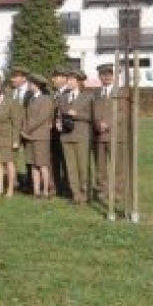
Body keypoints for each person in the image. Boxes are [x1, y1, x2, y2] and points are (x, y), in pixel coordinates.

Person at [92, 62, 132, 212]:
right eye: (104, 74)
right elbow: (93, 112)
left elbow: (123, 113)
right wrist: (97, 124)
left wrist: (108, 124)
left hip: (116, 135)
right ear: (99, 77)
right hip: (99, 136)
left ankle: (118, 193)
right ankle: (102, 192)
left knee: (117, 166)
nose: (107, 77)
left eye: (110, 74)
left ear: (115, 76)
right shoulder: (96, 93)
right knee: (100, 167)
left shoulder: (121, 92)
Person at [57, 67, 94, 205]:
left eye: (71, 79)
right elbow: (59, 115)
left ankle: (86, 195)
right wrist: (58, 123)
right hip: (66, 136)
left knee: (83, 167)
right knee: (71, 167)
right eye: (68, 79)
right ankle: (76, 194)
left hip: (81, 136)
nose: (69, 81)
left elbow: (92, 116)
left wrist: (77, 114)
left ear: (78, 82)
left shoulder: (88, 97)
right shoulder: (63, 97)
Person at [20, 74, 55, 198]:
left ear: (37, 85)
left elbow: (41, 118)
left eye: (30, 83)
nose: (29, 85)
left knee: (42, 164)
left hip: (40, 137)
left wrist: (26, 130)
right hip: (30, 136)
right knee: (33, 164)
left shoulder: (46, 99)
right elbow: (26, 116)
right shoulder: (31, 99)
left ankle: (45, 191)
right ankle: (36, 191)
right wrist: (24, 130)